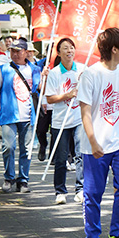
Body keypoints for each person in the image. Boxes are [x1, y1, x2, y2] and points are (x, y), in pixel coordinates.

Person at [77, 28, 119, 238]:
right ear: (114, 49)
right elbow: (85, 111)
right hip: (95, 144)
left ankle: (116, 233)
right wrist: (93, 141)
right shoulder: (91, 74)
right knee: (94, 192)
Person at [0, 37, 42, 193]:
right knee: (8, 147)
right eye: (12, 51)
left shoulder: (35, 70)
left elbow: (40, 90)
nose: (15, 54)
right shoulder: (3, 69)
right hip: (9, 115)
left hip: (28, 115)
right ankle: (9, 177)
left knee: (27, 149)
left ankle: (23, 180)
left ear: (26, 52)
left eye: (18, 51)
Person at [44, 37, 85, 205]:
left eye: (71, 48)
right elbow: (50, 98)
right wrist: (68, 95)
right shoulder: (54, 73)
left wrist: (85, 80)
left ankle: (81, 189)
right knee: (61, 158)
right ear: (59, 53)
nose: (69, 51)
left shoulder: (82, 70)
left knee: (81, 155)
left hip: (79, 119)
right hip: (60, 121)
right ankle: (60, 191)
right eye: (65, 48)